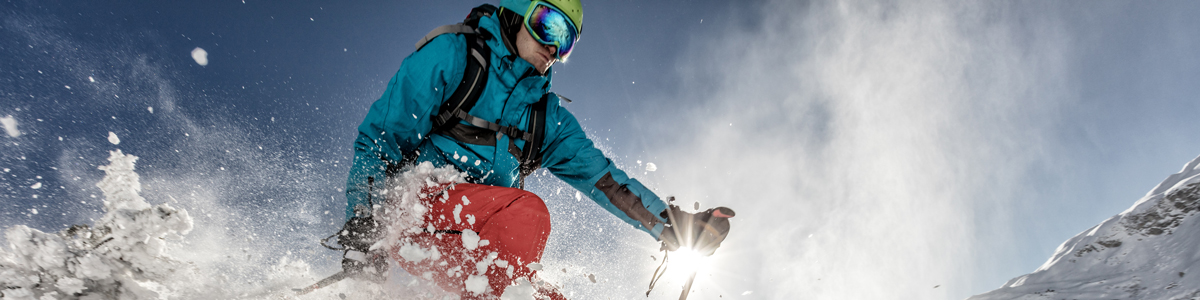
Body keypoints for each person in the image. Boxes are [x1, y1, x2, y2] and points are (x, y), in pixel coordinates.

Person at [336, 1, 732, 299]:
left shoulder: (546, 118)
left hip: (470, 235)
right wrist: (362, 225)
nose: (553, 47)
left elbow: (606, 182)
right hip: (410, 209)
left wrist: (673, 226)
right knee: (527, 212)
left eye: (566, 41)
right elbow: (379, 141)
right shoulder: (455, 56)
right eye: (549, 25)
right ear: (519, 11)